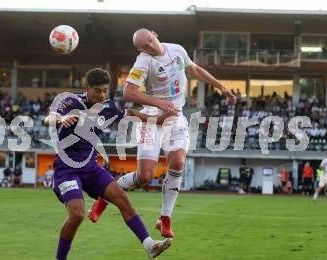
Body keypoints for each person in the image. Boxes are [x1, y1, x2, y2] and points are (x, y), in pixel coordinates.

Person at [89, 28, 236, 238]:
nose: (150, 46)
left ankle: (164, 218)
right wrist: (159, 103)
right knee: (145, 176)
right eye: (145, 47)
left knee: (177, 163)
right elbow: (128, 92)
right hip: (150, 118)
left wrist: (221, 86)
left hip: (175, 117)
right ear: (140, 50)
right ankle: (103, 197)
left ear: (154, 34)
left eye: (150, 41)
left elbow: (194, 69)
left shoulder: (176, 50)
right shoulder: (143, 62)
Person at [44, 68, 174, 260]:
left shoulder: (108, 106)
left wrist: (157, 120)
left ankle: (149, 245)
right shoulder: (71, 102)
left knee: (122, 198)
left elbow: (129, 113)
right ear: (87, 88)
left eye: (105, 90)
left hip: (90, 167)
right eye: (97, 90)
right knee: (77, 214)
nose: (102, 94)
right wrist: (61, 118)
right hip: (67, 169)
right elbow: (49, 117)